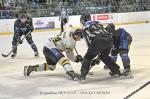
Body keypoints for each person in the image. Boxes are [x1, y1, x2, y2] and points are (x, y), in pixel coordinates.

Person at [78, 13, 121, 83]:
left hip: (99, 40)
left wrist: (92, 54)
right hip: (109, 39)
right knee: (104, 57)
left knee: (88, 57)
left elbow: (89, 43)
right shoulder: (98, 22)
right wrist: (98, 56)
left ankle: (82, 75)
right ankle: (116, 71)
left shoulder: (85, 27)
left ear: (82, 21)